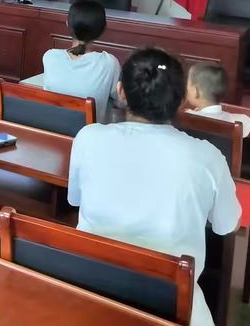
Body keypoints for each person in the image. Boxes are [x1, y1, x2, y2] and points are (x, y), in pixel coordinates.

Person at [68, 48, 240, 326]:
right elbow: (226, 225)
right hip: (168, 301)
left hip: (89, 285)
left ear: (121, 92)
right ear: (182, 99)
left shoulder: (88, 137)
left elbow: (74, 200)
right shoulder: (207, 157)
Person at [42, 0, 122, 123]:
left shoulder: (50, 57)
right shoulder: (109, 63)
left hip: (50, 129)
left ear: (67, 23)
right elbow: (121, 101)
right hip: (90, 134)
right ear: (103, 29)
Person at [185, 63, 250, 137]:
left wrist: (191, 112)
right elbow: (247, 121)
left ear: (196, 92)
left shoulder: (187, 118)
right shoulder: (236, 122)